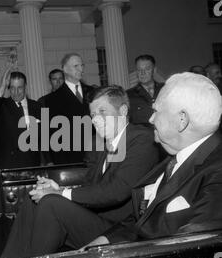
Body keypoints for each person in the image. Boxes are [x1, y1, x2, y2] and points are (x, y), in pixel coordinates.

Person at [0, 85, 159, 258]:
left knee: (51, 203)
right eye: (93, 115)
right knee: (35, 200)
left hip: (118, 229)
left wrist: (60, 193)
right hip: (96, 218)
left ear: (122, 111)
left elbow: (117, 191)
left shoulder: (141, 138)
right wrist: (57, 188)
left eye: (102, 111)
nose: (96, 119)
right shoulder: (100, 144)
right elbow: (90, 187)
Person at [86, 72, 222, 248]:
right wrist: (104, 241)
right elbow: (143, 219)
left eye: (156, 111)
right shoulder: (173, 159)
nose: (150, 119)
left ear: (182, 120)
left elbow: (191, 251)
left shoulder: (217, 173)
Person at [0, 68, 42, 169]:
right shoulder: (2, 106)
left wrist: (46, 161)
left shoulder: (37, 106)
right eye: (12, 87)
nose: (15, 92)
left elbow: (44, 138)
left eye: (19, 87)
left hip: (33, 163)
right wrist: (2, 87)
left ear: (25, 87)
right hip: (8, 164)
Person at [43, 53, 94, 165]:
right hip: (70, 159)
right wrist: (61, 164)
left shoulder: (93, 92)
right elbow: (53, 134)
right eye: (76, 66)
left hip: (96, 155)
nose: (81, 69)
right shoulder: (53, 99)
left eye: (82, 65)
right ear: (65, 69)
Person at [127, 55, 164, 126]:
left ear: (154, 70)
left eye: (147, 69)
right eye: (139, 69)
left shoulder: (165, 89)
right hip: (143, 136)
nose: (142, 73)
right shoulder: (128, 95)